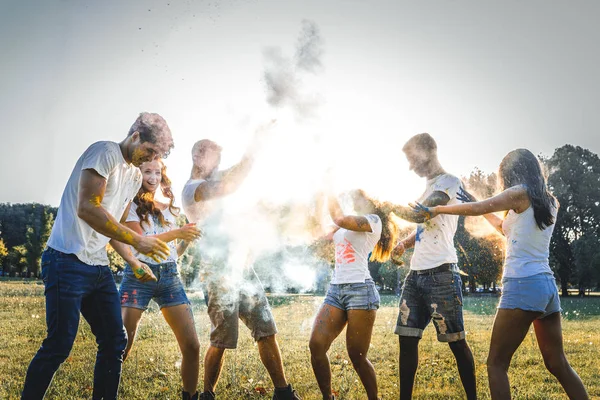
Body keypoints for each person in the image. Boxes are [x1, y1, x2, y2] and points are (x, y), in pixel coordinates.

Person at [412, 148, 589, 400]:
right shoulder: (549, 201)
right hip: (546, 288)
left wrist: (438, 210)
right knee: (558, 363)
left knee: (496, 364)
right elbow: (505, 228)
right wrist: (475, 200)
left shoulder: (519, 192)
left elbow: (476, 208)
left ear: (512, 172)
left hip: (522, 285)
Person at [22, 112, 174, 400]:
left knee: (115, 341)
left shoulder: (132, 175)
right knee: (59, 344)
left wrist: (132, 260)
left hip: (97, 267)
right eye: (150, 150)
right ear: (135, 136)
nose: (151, 158)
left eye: (158, 155)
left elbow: (112, 225)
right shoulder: (104, 152)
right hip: (65, 260)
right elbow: (88, 208)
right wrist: (138, 241)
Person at [182, 124, 301, 400]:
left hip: (242, 269)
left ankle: (282, 392)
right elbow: (230, 184)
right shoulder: (193, 189)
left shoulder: (213, 180)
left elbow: (236, 174)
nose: (219, 165)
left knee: (266, 329)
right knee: (222, 339)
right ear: (200, 158)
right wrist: (254, 147)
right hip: (217, 272)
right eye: (215, 159)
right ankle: (207, 395)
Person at [390, 133, 477, 399]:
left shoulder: (449, 182)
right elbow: (425, 227)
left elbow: (421, 213)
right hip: (415, 276)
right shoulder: (427, 187)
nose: (411, 166)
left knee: (456, 342)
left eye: (412, 159)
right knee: (406, 340)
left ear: (429, 151)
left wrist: (385, 205)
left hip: (442, 275)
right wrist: (405, 243)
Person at [119, 159, 202, 400]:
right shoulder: (130, 206)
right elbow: (142, 243)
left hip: (170, 277)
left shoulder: (170, 208)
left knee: (192, 345)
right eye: (147, 172)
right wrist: (178, 232)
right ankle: (106, 391)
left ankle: (190, 396)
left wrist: (188, 236)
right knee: (121, 345)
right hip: (139, 276)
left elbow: (175, 250)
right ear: (137, 174)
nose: (153, 177)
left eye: (157, 172)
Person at [309, 189, 398, 400]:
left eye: (357, 195)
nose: (351, 197)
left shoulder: (373, 221)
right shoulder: (344, 224)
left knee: (357, 356)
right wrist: (320, 198)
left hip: (361, 291)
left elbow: (340, 217)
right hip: (336, 290)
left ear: (369, 201)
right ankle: (327, 397)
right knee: (316, 345)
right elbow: (319, 231)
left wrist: (328, 188)